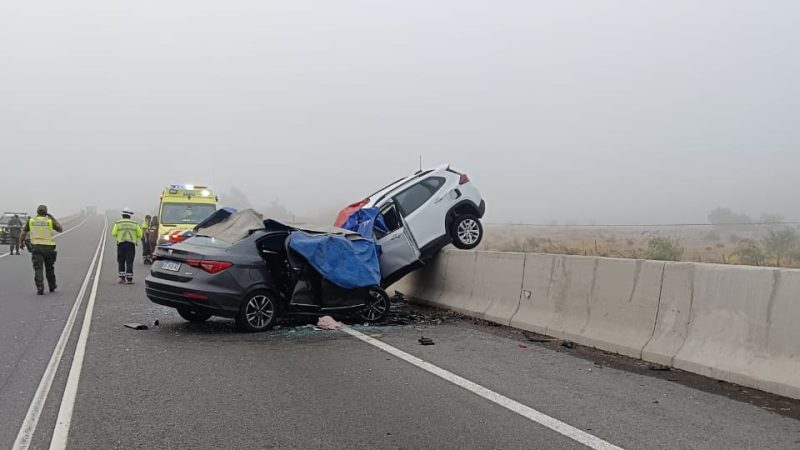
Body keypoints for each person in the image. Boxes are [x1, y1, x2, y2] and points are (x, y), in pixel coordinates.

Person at [19, 205, 62, 295]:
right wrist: (53, 218)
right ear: (46, 212)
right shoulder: (49, 221)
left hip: (37, 248)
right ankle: (52, 286)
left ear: (37, 212)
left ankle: (40, 287)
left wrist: (21, 243)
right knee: (50, 268)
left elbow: (23, 233)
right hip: (49, 248)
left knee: (38, 268)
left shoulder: (31, 221)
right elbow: (60, 229)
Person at [111, 207, 142, 284]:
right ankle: (129, 279)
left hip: (121, 245)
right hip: (131, 245)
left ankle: (122, 278)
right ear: (130, 216)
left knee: (121, 261)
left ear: (122, 215)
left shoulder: (118, 223)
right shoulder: (134, 224)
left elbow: (114, 233)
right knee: (129, 261)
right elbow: (140, 234)